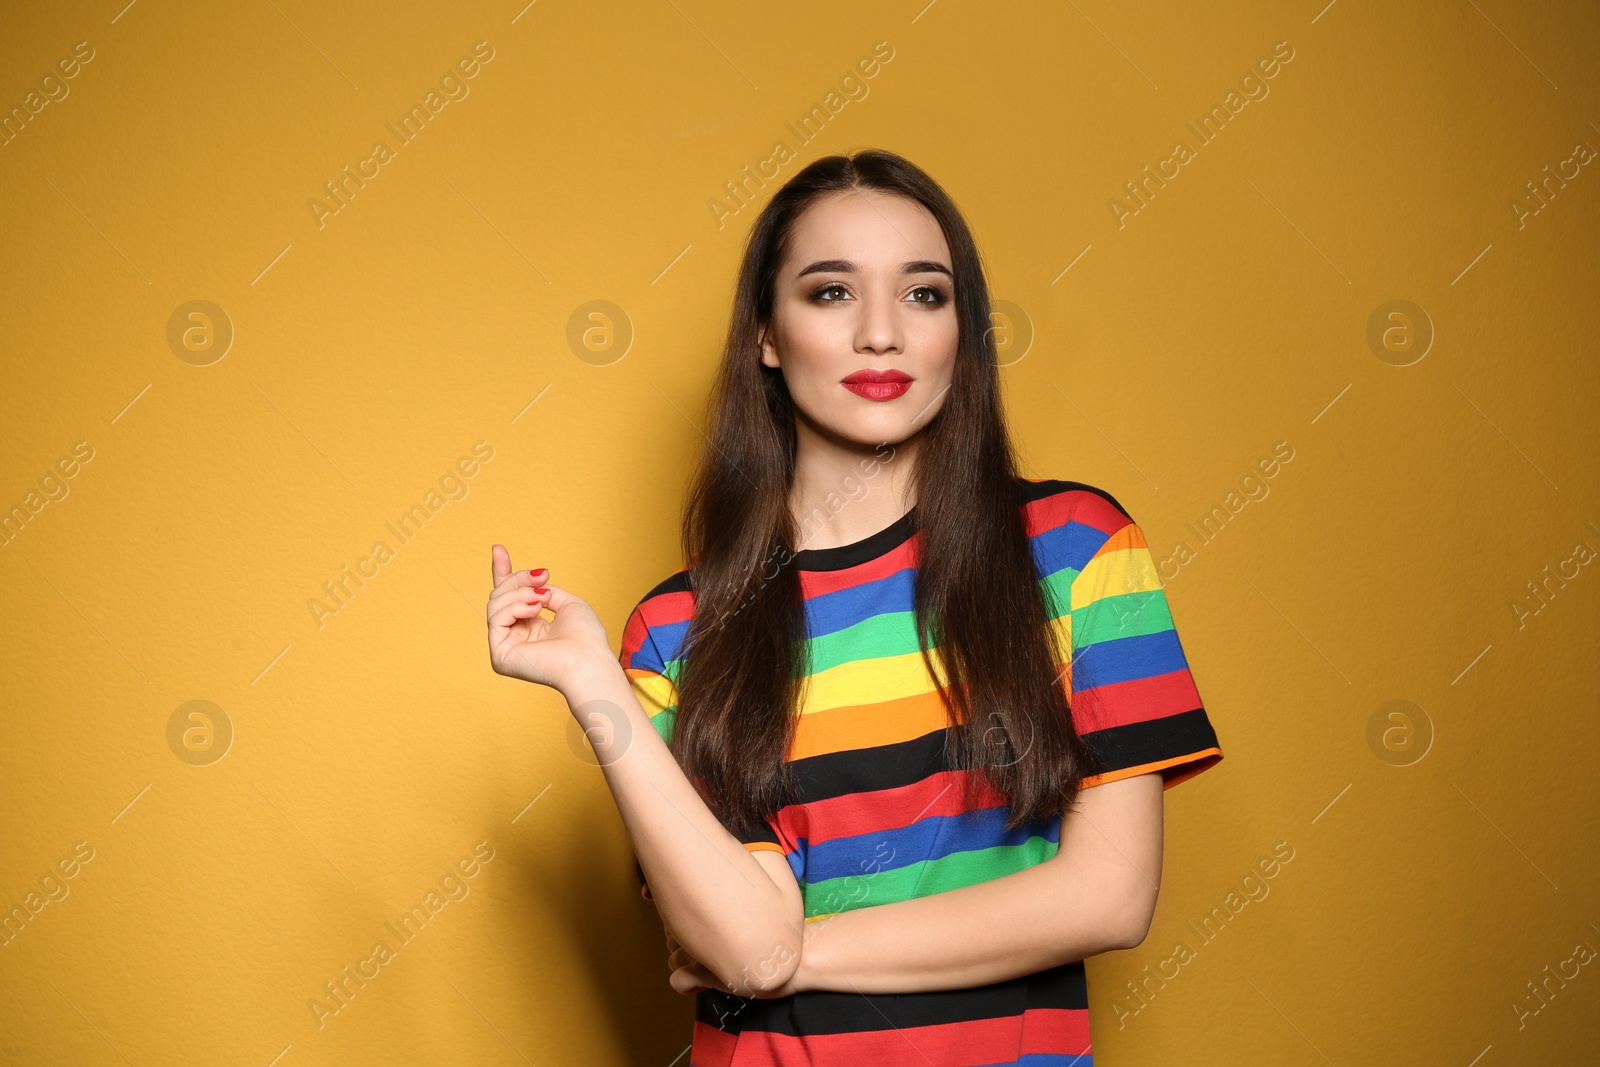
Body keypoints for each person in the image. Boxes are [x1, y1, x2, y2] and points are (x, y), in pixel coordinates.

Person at [486, 148, 1223, 1065]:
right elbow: (746, 935)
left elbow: (1108, 896)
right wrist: (593, 682)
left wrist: (799, 956)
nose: (883, 334)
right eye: (831, 292)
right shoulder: (676, 631)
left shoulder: (1077, 550)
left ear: (964, 330)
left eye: (924, 294)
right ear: (766, 332)